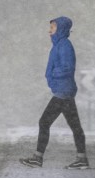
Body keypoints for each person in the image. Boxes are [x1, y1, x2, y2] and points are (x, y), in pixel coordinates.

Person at [20, 16, 89, 169]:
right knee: (75, 125)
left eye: (52, 28)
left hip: (63, 91)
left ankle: (38, 158)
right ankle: (82, 159)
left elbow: (67, 67)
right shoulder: (59, 45)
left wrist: (52, 74)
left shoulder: (64, 45)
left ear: (61, 29)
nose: (49, 31)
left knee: (44, 122)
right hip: (63, 89)